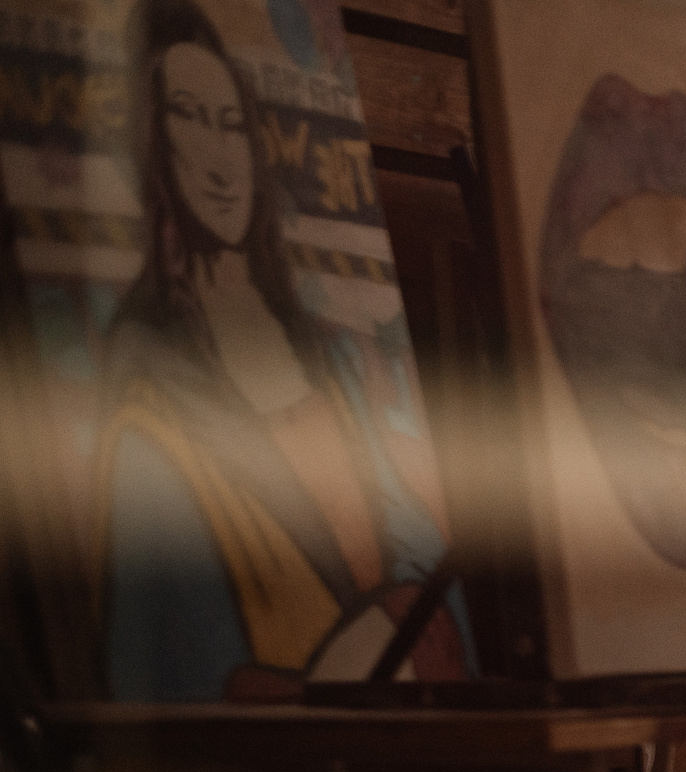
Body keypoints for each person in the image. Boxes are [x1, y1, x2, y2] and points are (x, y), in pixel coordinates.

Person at [98, 0, 465, 701]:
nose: (218, 156)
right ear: (155, 141)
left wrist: (409, 610)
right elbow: (177, 657)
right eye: (188, 117)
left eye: (232, 124)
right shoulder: (146, 384)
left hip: (399, 732)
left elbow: (414, 545)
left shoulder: (332, 360)